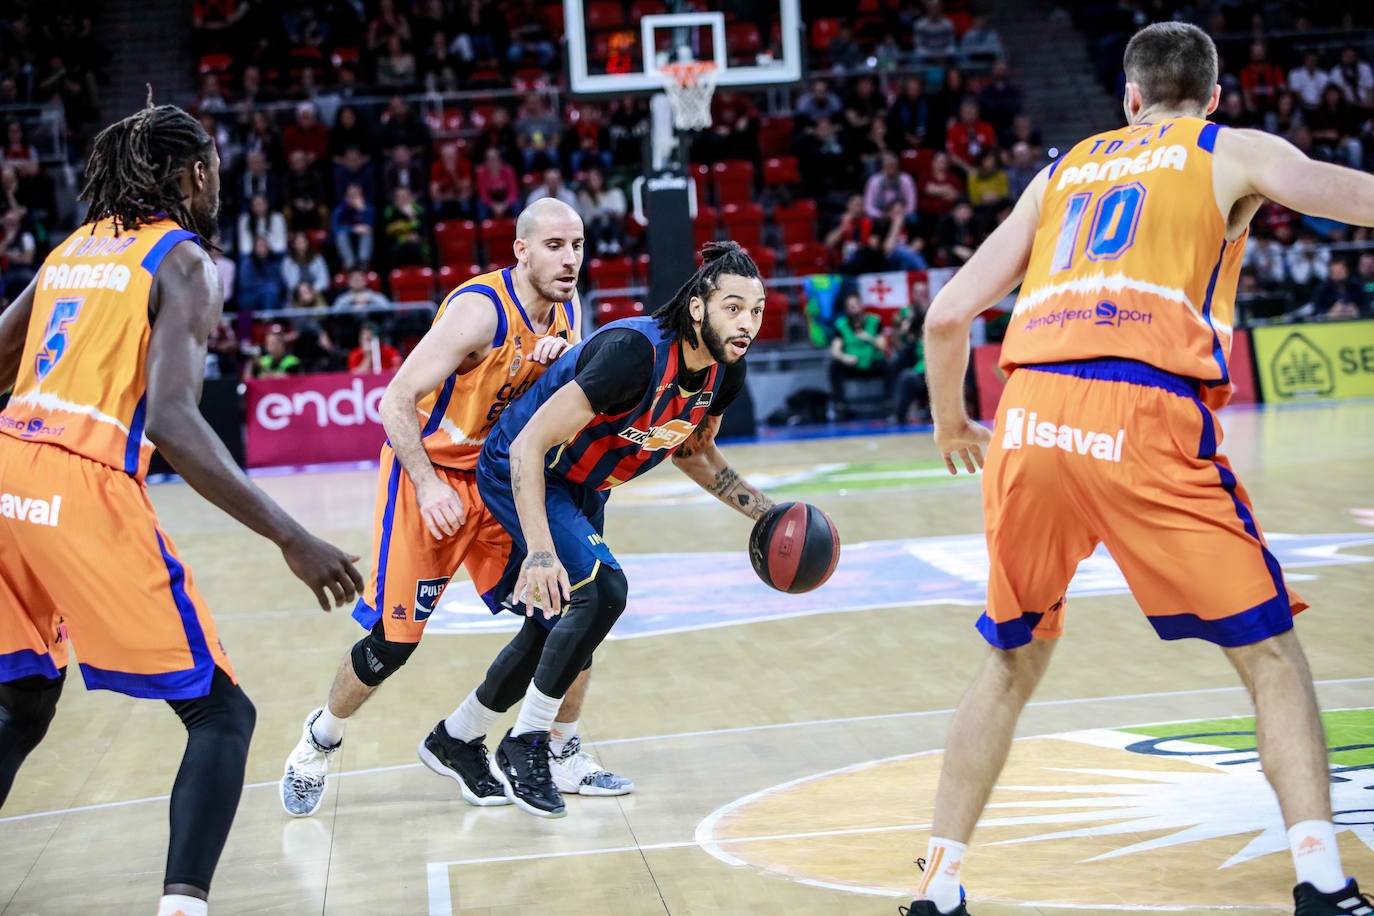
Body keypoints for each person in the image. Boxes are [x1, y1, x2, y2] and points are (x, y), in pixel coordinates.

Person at [908, 22, 1374, 915]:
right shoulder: (1225, 149)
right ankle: (1321, 879)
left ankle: (937, 887)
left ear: (1128, 97)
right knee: (1271, 653)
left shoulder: (1061, 171)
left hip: (1030, 417)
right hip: (1144, 412)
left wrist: (950, 422)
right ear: (1213, 94)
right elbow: (1339, 195)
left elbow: (945, 317)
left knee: (1010, 659)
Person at [0, 102, 363, 916]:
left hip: (4, 476)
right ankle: (183, 908)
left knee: (22, 699)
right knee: (221, 713)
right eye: (216, 173)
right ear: (195, 173)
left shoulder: (70, 249)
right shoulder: (183, 261)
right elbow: (170, 420)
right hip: (78, 485)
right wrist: (291, 536)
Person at [280, 198, 633, 817]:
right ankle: (318, 740)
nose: (570, 259)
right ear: (521, 250)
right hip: (433, 479)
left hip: (499, 480)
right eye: (555, 246)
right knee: (393, 643)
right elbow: (394, 401)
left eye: (577, 245)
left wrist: (554, 368)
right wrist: (427, 484)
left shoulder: (567, 306)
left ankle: (524, 745)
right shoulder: (478, 312)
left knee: (569, 610)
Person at [456, 240, 773, 819]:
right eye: (734, 307)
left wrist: (767, 513)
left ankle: (459, 736)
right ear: (698, 307)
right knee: (601, 591)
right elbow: (527, 445)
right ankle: (528, 745)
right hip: (524, 467)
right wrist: (543, 555)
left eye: (756, 310)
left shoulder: (723, 373)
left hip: (583, 483)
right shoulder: (634, 353)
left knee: (562, 623)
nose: (747, 323)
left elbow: (694, 452)